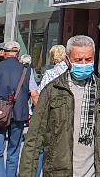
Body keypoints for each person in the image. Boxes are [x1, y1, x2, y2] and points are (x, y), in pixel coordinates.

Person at [18, 35, 100, 177]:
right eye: (79, 60)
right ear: (67, 60)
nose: (84, 64)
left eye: (88, 59)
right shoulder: (53, 90)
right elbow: (34, 140)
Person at [0, 40, 39, 177]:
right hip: (19, 114)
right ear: (18, 53)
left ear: (4, 52)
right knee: (14, 151)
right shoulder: (27, 70)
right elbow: (34, 94)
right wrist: (39, 115)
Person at [26, 45, 70, 175]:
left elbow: (41, 95)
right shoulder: (70, 73)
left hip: (51, 113)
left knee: (42, 147)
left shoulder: (50, 73)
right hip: (67, 114)